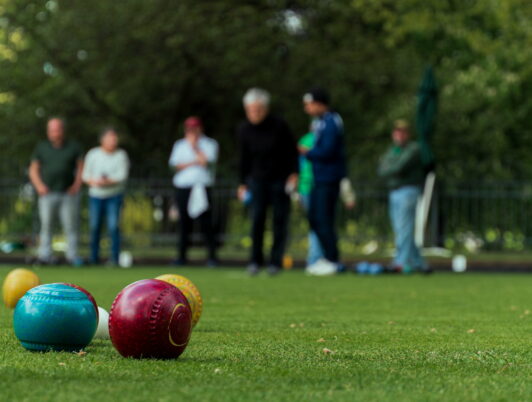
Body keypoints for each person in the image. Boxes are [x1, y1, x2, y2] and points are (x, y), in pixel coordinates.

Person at [237, 88, 299, 276]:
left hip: (279, 180)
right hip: (257, 181)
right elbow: (243, 158)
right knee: (257, 220)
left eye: (258, 109)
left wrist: (294, 173)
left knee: (280, 221)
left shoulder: (280, 125)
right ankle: (255, 260)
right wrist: (242, 183)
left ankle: (275, 262)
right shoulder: (243, 129)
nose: (254, 113)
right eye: (250, 110)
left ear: (265, 108)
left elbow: (291, 151)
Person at [299, 88, 347, 276]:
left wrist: (308, 152)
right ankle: (327, 257)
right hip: (319, 178)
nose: (307, 109)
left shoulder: (331, 121)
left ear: (320, 103)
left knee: (324, 218)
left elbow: (328, 150)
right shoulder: (320, 122)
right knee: (315, 217)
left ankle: (332, 259)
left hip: (329, 178)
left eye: (309, 104)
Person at [29, 117, 84, 265]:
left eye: (57, 129)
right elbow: (33, 169)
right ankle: (45, 256)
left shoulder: (73, 147)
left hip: (68, 194)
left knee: (70, 226)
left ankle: (72, 257)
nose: (54, 132)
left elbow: (80, 167)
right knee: (46, 226)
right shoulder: (41, 147)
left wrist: (76, 185)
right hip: (47, 194)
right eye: (51, 129)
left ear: (62, 130)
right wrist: (39, 185)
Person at [378, 119, 427, 273]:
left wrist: (392, 168)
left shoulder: (414, 149)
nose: (399, 135)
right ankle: (418, 263)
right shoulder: (393, 150)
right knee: (400, 229)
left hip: (408, 190)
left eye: (402, 132)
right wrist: (392, 168)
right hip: (394, 191)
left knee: (404, 228)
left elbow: (399, 167)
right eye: (397, 132)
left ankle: (400, 262)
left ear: (408, 134)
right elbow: (382, 170)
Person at [169, 116, 219, 267]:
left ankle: (211, 256)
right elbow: (175, 165)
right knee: (184, 223)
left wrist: (195, 148)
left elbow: (206, 162)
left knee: (206, 223)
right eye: (189, 129)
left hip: (202, 187)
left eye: (194, 128)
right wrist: (193, 162)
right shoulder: (179, 145)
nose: (192, 132)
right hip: (183, 187)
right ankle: (182, 257)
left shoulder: (210, 144)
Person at [82, 128, 130, 265]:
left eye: (115, 138)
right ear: (102, 140)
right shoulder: (93, 154)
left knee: (113, 226)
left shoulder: (121, 155)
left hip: (114, 196)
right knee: (94, 226)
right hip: (96, 196)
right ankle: (93, 258)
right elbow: (85, 175)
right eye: (110, 138)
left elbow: (122, 176)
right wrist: (95, 182)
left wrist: (107, 182)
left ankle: (115, 258)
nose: (113, 141)